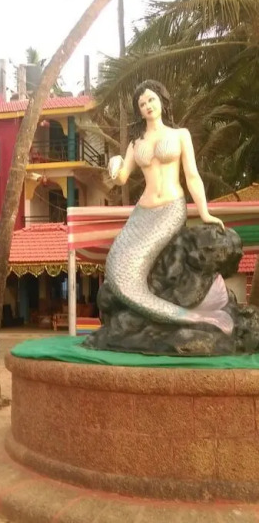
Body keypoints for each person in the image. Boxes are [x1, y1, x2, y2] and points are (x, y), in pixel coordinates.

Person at [106, 79, 233, 334]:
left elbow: (192, 176)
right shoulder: (135, 143)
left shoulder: (179, 135)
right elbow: (122, 178)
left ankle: (197, 317)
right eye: (142, 103)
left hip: (170, 208)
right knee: (117, 269)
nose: (147, 105)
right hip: (143, 212)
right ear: (139, 110)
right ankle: (185, 314)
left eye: (151, 99)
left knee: (130, 272)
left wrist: (205, 212)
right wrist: (114, 165)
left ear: (162, 101)